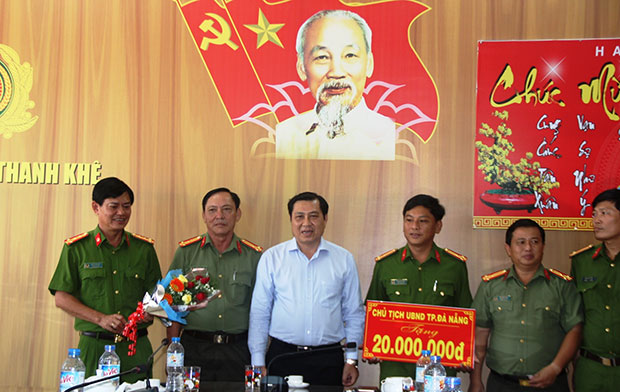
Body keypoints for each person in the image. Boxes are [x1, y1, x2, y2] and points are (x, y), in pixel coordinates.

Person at [48, 177, 162, 383]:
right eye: (114, 206)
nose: (121, 212)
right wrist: (100, 319)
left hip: (134, 348)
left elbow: (158, 296)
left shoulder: (144, 249)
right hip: (94, 348)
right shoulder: (77, 248)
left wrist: (151, 312)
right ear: (96, 207)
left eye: (126, 206)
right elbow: (61, 298)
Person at [248, 191, 365, 386]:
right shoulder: (272, 258)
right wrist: (258, 361)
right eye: (299, 217)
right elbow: (260, 313)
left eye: (313, 216)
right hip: (282, 356)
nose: (306, 223)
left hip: (327, 357)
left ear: (325, 219)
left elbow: (354, 314)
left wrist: (351, 360)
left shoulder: (343, 259)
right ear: (291, 220)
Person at [366, 194, 472, 381]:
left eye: (423, 221)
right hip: (396, 370)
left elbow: (465, 312)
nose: (414, 227)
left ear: (438, 226)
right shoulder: (386, 265)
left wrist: (465, 352)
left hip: (440, 370)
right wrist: (372, 345)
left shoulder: (454, 266)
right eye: (409, 220)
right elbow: (372, 312)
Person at [470, 219, 583, 392]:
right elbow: (480, 334)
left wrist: (555, 367)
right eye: (521, 242)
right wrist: (476, 380)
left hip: (551, 384)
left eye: (534, 242)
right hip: (502, 385)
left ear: (543, 246)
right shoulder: (490, 286)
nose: (528, 248)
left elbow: (574, 330)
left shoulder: (562, 286)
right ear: (508, 248)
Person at [167, 188, 262, 381]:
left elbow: (261, 310)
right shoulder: (186, 253)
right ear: (204, 215)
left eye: (227, 209)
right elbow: (171, 306)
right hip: (195, 347)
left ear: (238, 214)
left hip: (238, 349)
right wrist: (173, 354)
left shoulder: (254, 256)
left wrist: (259, 356)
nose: (219, 216)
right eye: (212, 210)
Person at [275, 9, 395, 161]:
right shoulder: (281, 136)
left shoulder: (394, 137)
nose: (336, 72)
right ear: (302, 68)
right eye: (322, 57)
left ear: (369, 64)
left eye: (350, 55)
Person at [570, 188, 620, 392]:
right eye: (594, 214)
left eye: (605, 213)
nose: (597, 220)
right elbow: (574, 315)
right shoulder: (582, 262)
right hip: (590, 369)